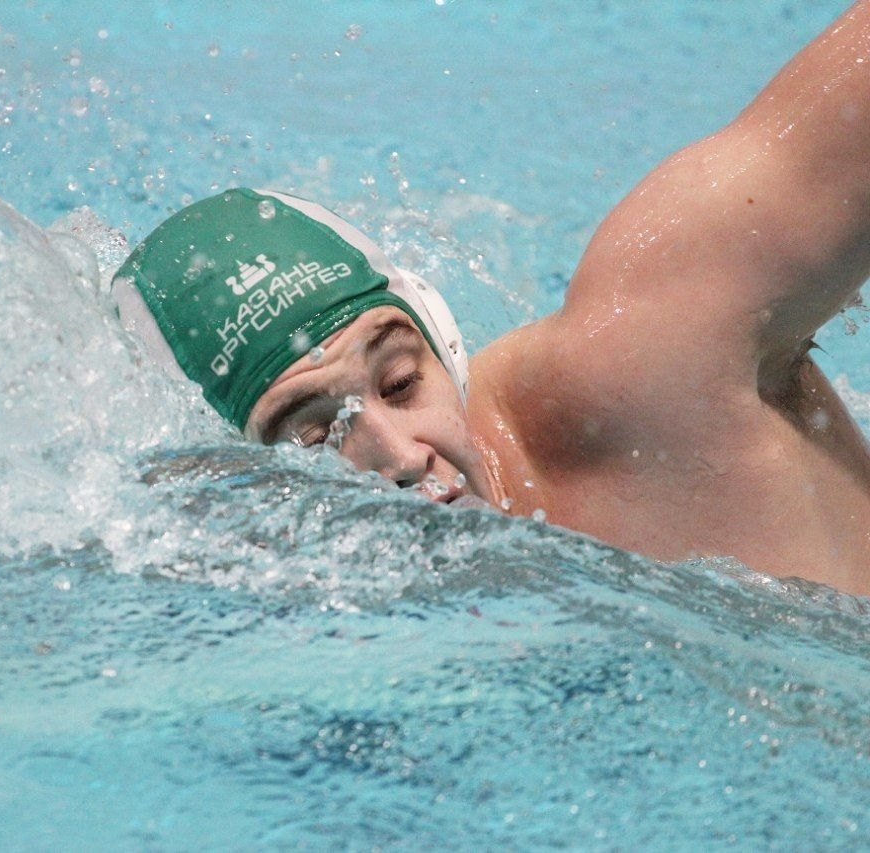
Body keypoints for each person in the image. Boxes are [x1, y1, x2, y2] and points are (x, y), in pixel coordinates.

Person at [112, 1, 870, 595]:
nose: (403, 457)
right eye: (316, 440)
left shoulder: (641, 374)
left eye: (400, 384)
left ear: (442, 341)